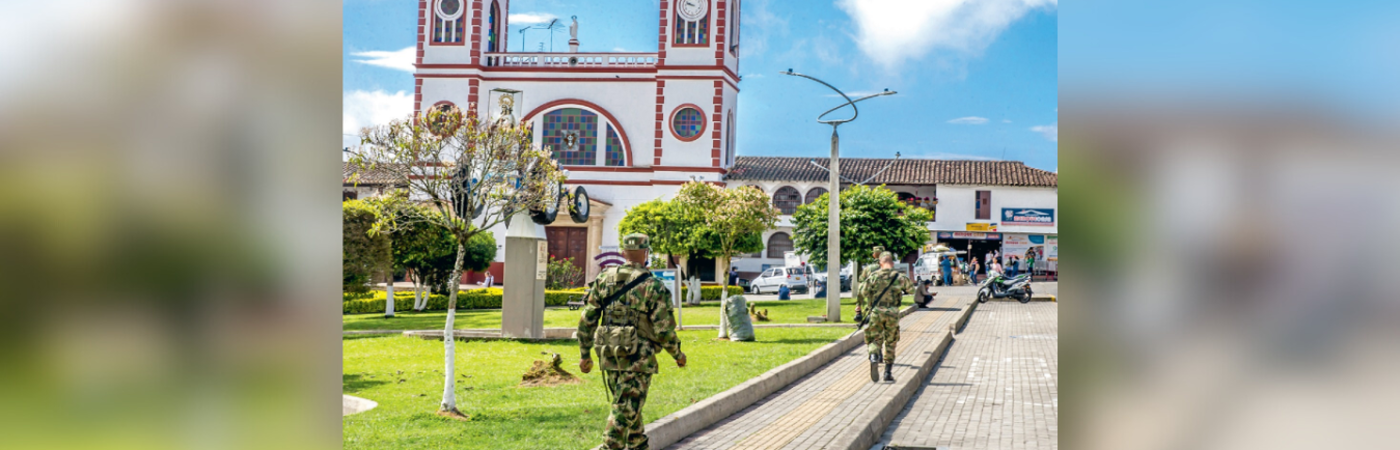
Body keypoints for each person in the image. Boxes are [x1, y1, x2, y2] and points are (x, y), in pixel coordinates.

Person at [578, 233, 686, 450]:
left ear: (623, 253)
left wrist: (585, 355)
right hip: (638, 359)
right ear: (646, 254)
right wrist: (677, 354)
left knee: (628, 409)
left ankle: (638, 445)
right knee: (625, 410)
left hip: (609, 353)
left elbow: (587, 319)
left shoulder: (604, 280)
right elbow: (664, 329)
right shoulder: (653, 286)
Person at [859, 252, 914, 382]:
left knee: (874, 338)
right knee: (891, 341)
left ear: (880, 263)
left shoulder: (874, 276)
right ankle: (887, 373)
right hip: (893, 313)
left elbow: (863, 292)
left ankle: (873, 357)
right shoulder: (900, 277)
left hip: (877, 311)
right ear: (892, 263)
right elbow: (911, 290)